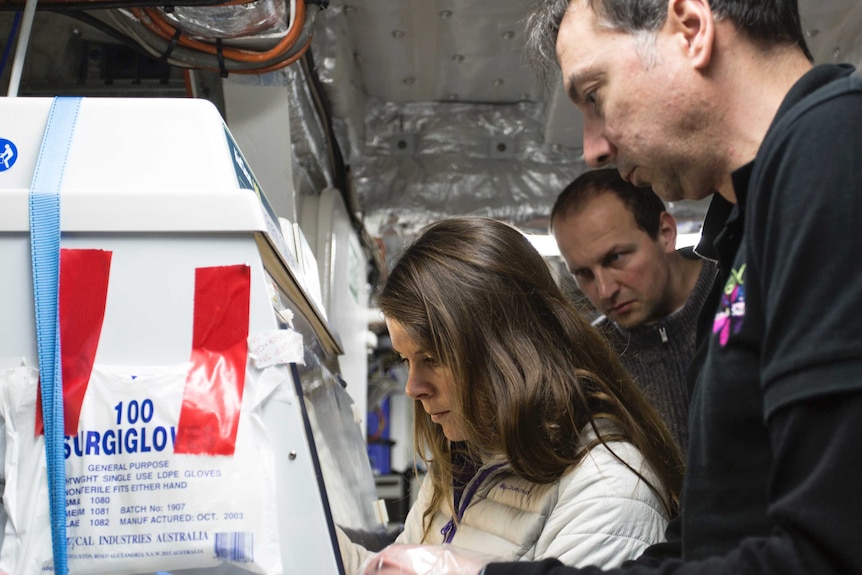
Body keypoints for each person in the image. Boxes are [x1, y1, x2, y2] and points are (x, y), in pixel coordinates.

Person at [360, 0, 862, 573]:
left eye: (595, 95)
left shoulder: (834, 155)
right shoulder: (747, 229)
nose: (593, 147)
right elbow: (706, 541)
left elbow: (829, 551)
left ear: (690, 29)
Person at [339, 216, 684, 573]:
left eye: (433, 358)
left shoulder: (608, 490)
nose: (413, 388)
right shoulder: (472, 452)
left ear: (506, 350)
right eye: (406, 360)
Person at [550, 169, 716, 454]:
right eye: (583, 274)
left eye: (615, 258)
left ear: (665, 233)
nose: (604, 290)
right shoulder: (592, 360)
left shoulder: (746, 298)